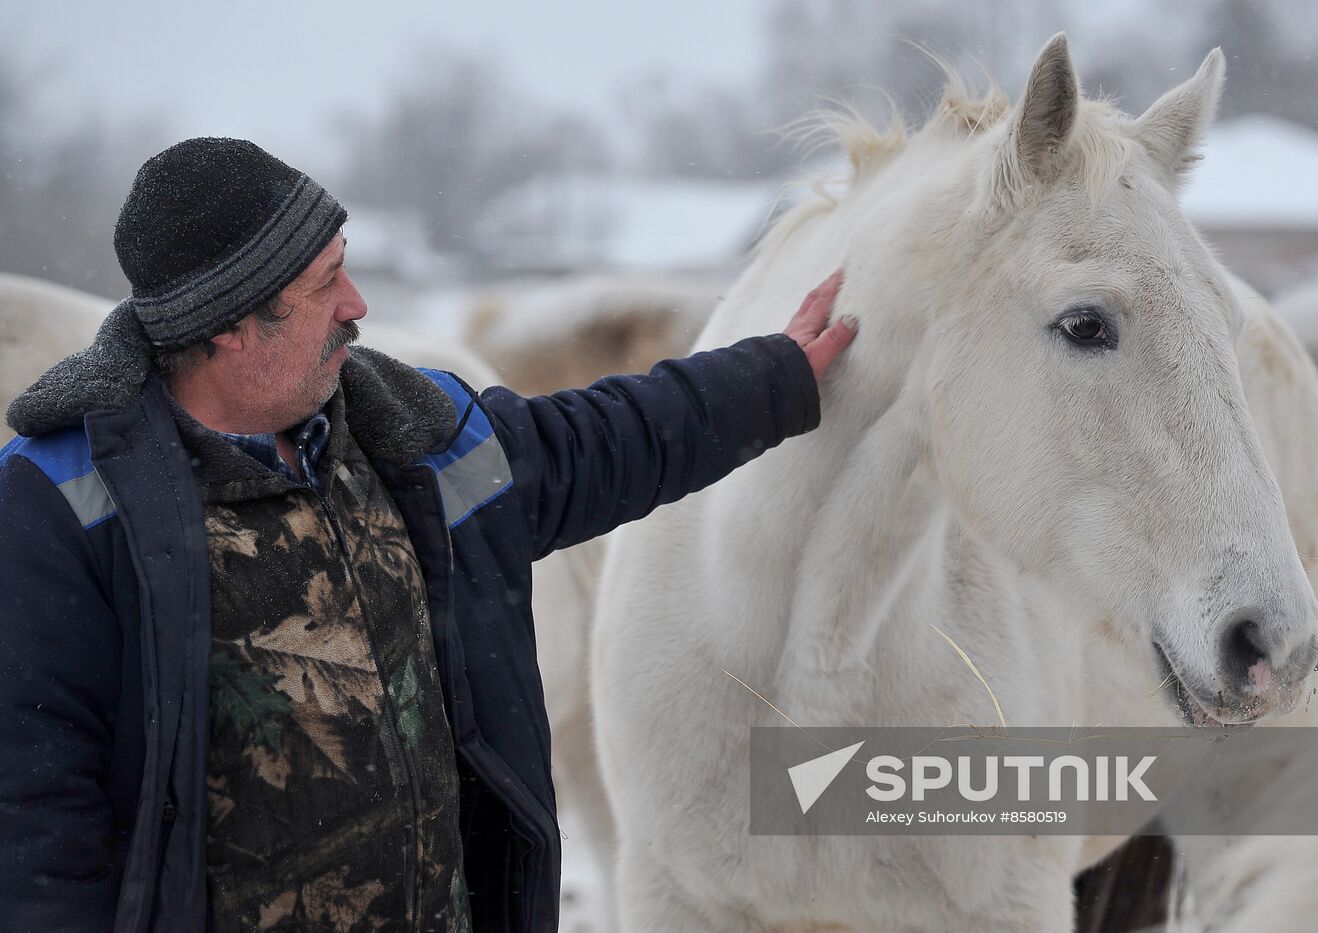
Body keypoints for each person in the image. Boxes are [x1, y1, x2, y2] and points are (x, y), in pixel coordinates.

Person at [0, 137, 855, 932]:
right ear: (227, 321)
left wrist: (775, 376)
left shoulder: (410, 434)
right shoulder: (62, 504)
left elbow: (598, 442)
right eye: (325, 283)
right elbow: (34, 813)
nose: (357, 303)